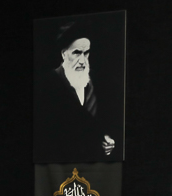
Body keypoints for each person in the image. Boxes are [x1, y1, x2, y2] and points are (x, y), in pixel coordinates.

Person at [34, 21, 117, 163]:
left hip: (94, 164)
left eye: (86, 53)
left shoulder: (96, 81)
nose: (82, 61)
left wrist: (107, 139)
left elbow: (105, 121)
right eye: (77, 53)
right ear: (64, 54)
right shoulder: (47, 83)